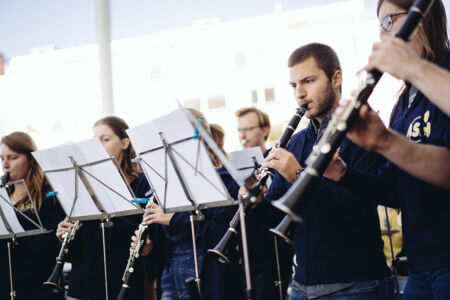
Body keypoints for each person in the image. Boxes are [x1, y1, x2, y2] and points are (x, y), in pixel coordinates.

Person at [324, 0, 450, 298]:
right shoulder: (405, 102)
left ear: (423, 17)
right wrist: (345, 174)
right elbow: (397, 190)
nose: (382, 36)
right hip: (421, 264)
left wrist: (414, 67)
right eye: (379, 25)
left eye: (389, 22)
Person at [259, 43, 393, 299]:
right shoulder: (295, 142)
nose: (299, 93)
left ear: (336, 78)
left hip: (356, 285)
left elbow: (358, 207)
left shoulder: (363, 131)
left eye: (308, 81)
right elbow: (276, 217)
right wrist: (256, 202)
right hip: (301, 285)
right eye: (294, 85)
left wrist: (298, 176)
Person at [136, 108, 244, 300]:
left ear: (201, 138)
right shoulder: (164, 185)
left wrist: (173, 219)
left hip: (210, 275)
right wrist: (149, 248)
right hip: (170, 275)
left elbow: (222, 235)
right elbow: (166, 244)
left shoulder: (226, 181)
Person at [56, 116, 150, 300]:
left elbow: (143, 239)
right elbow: (77, 251)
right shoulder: (81, 184)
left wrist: (107, 207)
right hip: (82, 287)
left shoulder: (141, 183)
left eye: (105, 139)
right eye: (94, 140)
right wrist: (65, 238)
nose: (98, 146)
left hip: (122, 286)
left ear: (125, 143)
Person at [0, 132, 65, 300]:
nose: (5, 165)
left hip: (36, 284)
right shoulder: (3, 196)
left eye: (12, 158)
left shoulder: (49, 197)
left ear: (31, 159)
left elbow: (53, 243)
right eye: (2, 158)